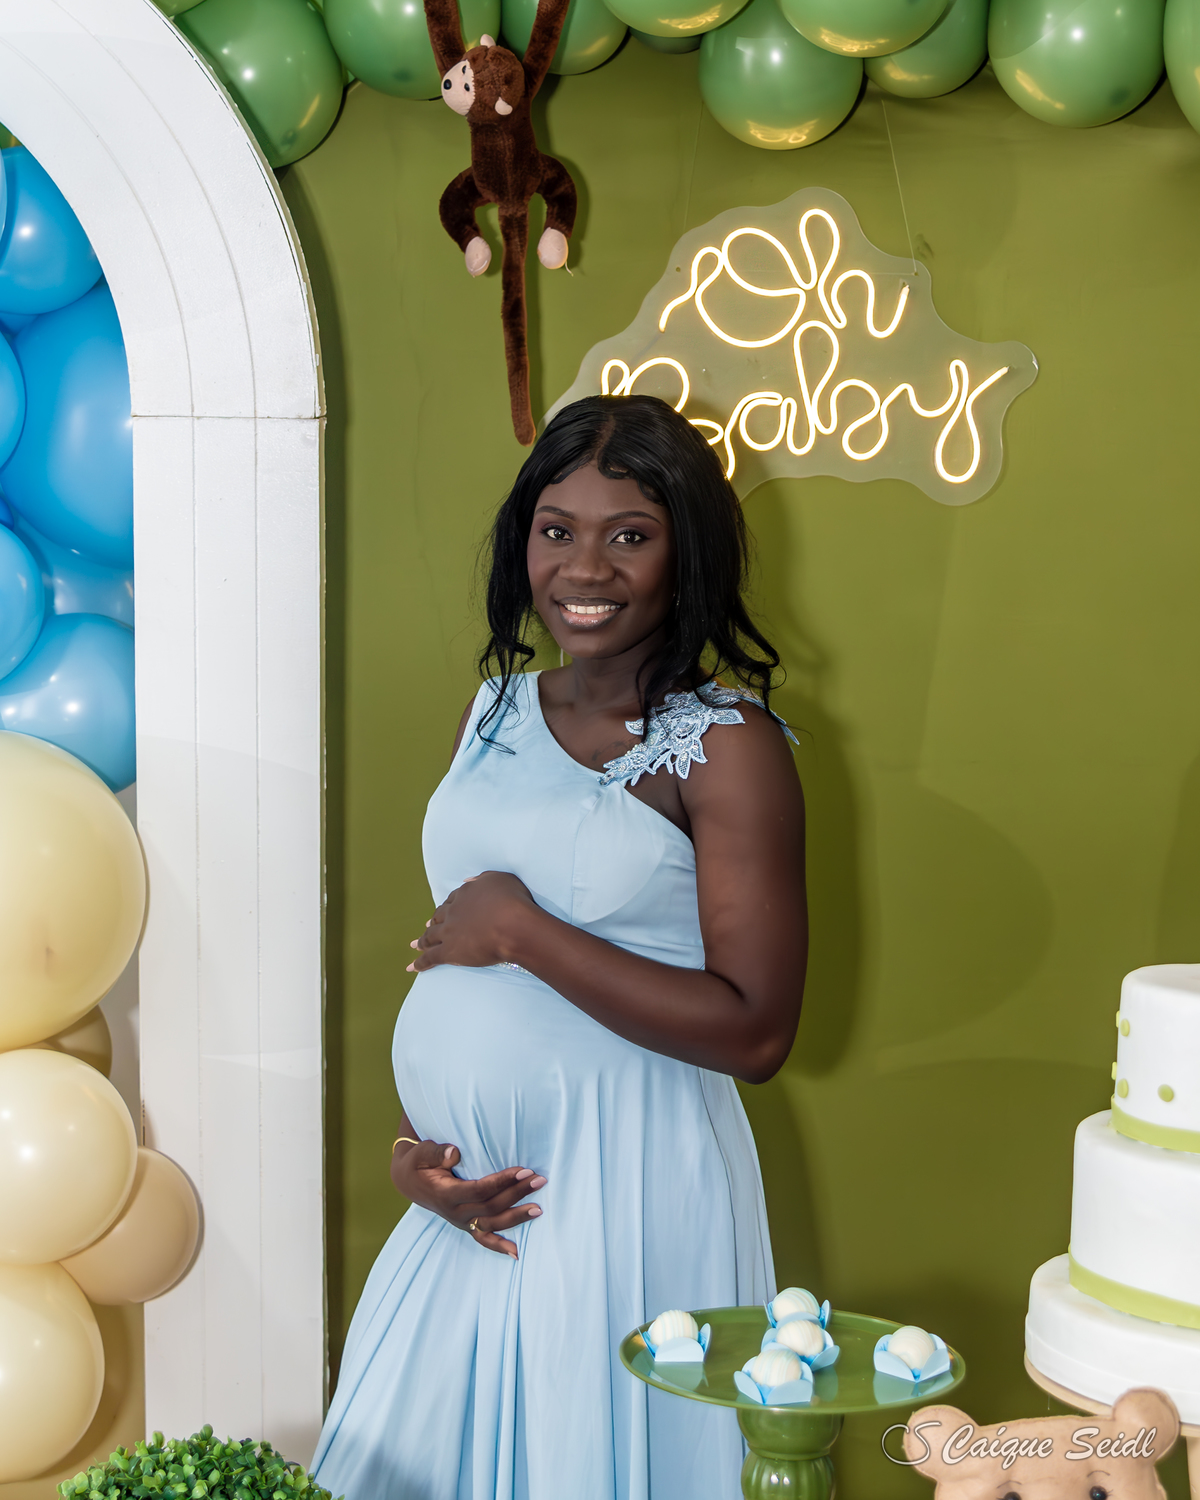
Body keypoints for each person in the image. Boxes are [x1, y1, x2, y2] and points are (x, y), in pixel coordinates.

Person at [313, 394, 808, 1500]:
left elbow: (758, 1031)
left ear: (688, 551)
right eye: (557, 530)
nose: (586, 568)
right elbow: (459, 961)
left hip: (627, 1183)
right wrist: (418, 1152)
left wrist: (525, 931)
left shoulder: (727, 748)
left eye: (630, 534)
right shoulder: (490, 713)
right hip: (478, 1206)